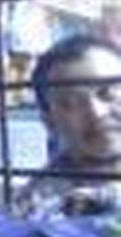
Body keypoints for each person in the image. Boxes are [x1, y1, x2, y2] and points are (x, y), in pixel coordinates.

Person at [15, 33, 121, 216]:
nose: (96, 113)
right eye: (71, 103)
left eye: (107, 93)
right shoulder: (37, 207)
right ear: (49, 122)